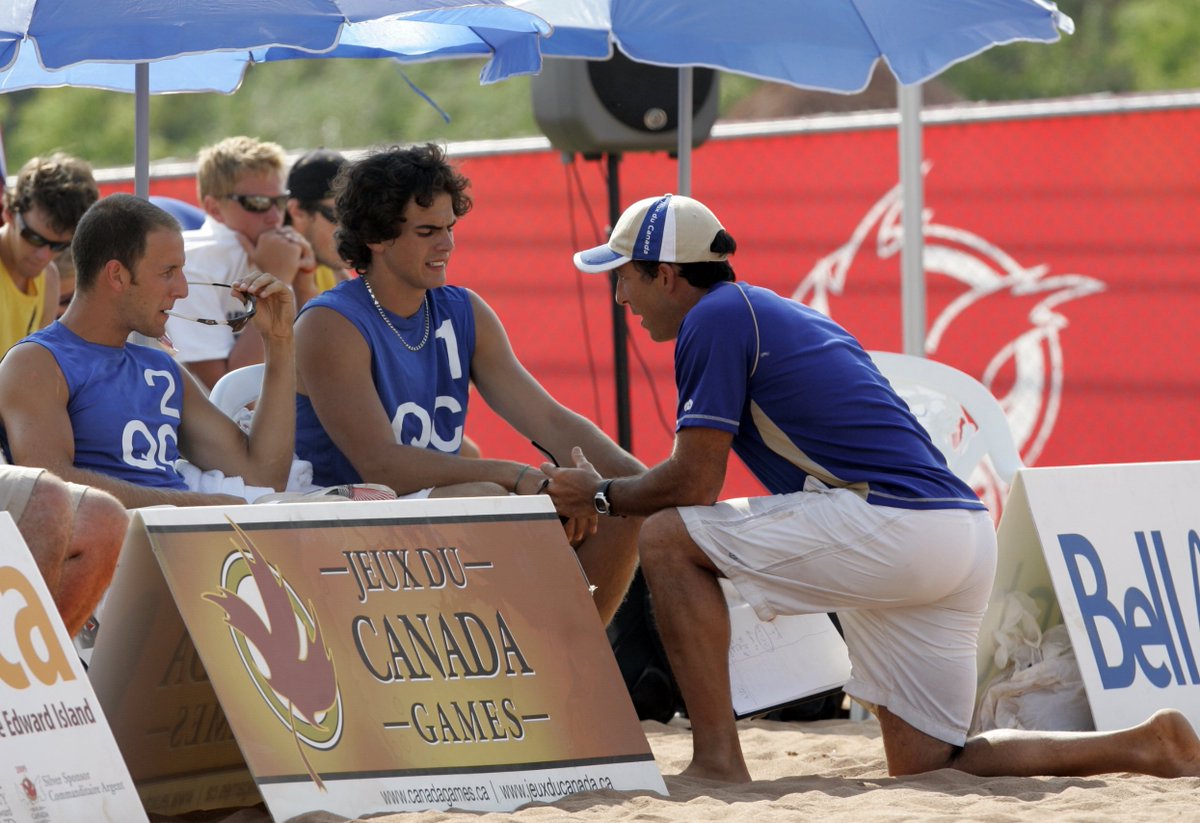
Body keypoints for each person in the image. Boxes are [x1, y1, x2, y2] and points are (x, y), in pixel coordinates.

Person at [543, 193, 1200, 781]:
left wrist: (596, 494)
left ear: (665, 274)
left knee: (664, 537)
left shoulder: (712, 318)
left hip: (895, 529)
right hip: (960, 536)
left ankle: (717, 758)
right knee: (932, 763)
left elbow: (694, 482)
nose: (619, 296)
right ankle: (1142, 745)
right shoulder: (766, 310)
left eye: (622, 276)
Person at [293, 143, 643, 624]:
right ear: (376, 236)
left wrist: (632, 482)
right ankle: (540, 657)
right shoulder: (331, 322)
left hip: (429, 508)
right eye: (427, 231)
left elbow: (546, 416)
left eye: (449, 228)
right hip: (340, 519)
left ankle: (572, 660)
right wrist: (525, 479)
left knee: (619, 505)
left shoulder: (463, 310)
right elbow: (380, 466)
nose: (447, 245)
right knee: (491, 501)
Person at [0, 193, 297, 509]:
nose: (181, 289)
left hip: (182, 543)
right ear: (117, 275)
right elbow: (51, 487)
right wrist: (192, 507)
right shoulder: (36, 363)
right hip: (112, 548)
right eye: (168, 272)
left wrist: (278, 341)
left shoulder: (161, 367)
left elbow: (263, 475)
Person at [165, 136, 314, 388]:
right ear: (214, 208)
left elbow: (316, 359)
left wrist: (304, 284)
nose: (274, 216)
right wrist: (273, 278)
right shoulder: (190, 262)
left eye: (279, 202)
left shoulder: (282, 251)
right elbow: (232, 394)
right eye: (256, 203)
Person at [0, 153, 99, 353]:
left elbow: (33, 368)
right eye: (34, 238)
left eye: (59, 246)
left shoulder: (49, 278)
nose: (43, 256)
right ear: (9, 213)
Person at [285, 148, 353, 307]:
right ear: (297, 211)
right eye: (337, 215)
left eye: (355, 214)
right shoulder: (276, 271)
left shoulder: (332, 266)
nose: (350, 229)